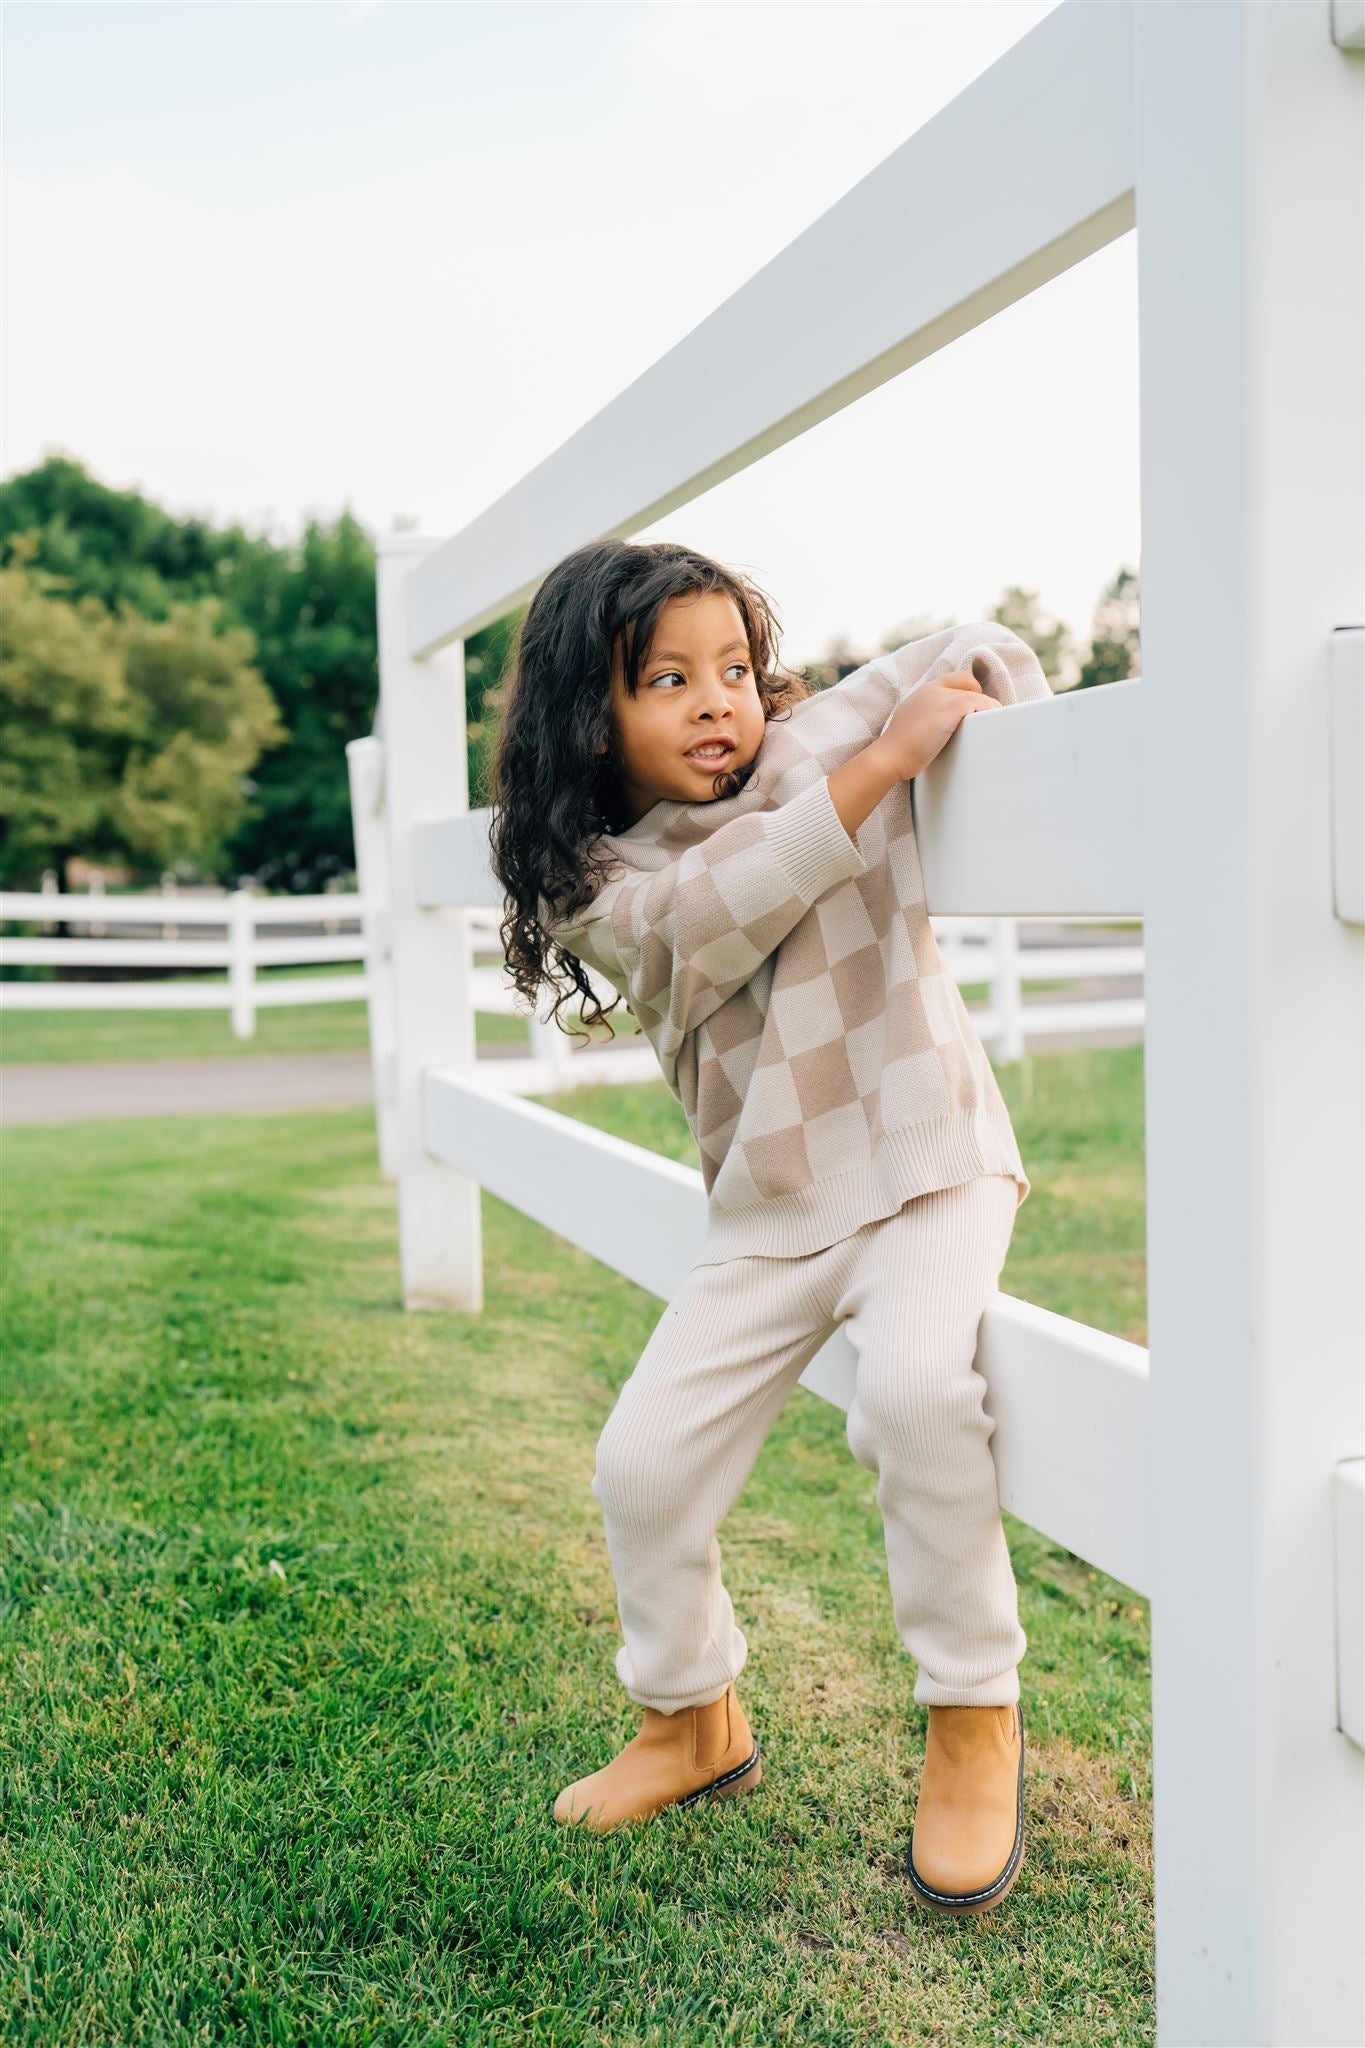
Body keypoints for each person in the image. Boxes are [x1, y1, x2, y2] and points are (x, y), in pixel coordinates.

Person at [486, 537, 1052, 1915]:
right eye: (666, 679)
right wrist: (874, 764)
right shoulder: (602, 879)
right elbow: (714, 915)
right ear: (587, 716)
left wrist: (992, 712)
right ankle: (691, 1721)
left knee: (916, 1396)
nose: (717, 702)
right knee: (641, 1465)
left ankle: (971, 1716)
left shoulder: (805, 747)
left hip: (926, 1163)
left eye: (733, 667)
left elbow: (974, 652)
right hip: (772, 1209)